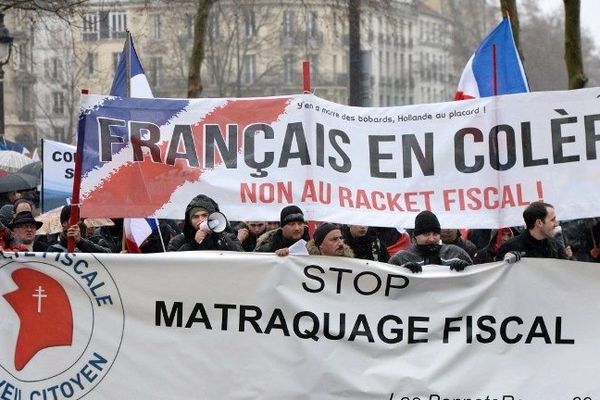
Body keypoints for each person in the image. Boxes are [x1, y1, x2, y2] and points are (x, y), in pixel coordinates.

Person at [389, 210, 472, 273]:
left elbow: (476, 282)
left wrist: (466, 269)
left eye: (435, 234)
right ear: (415, 236)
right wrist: (402, 272)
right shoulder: (401, 259)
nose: (432, 239)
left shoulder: (457, 253)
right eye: (426, 234)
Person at [167, 194, 242, 252]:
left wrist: (219, 236)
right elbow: (172, 264)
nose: (201, 220)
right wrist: (194, 243)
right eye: (195, 217)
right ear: (190, 221)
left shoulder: (228, 237)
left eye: (204, 215)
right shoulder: (178, 241)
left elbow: (241, 257)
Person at [497, 201, 568, 260]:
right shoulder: (510, 248)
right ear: (539, 223)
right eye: (552, 220)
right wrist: (506, 262)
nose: (556, 224)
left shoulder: (556, 247)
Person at [46, 206, 112, 253]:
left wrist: (81, 242)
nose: (80, 222)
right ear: (64, 223)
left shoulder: (97, 241)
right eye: (76, 219)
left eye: (82, 219)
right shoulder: (54, 250)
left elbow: (109, 257)